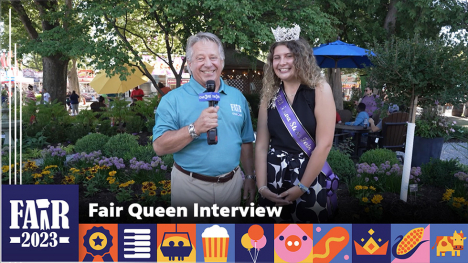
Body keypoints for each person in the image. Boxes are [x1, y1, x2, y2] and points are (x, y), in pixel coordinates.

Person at [152, 32, 256, 223]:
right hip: (190, 187)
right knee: (192, 248)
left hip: (232, 187)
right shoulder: (172, 100)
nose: (208, 64)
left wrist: (249, 176)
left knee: (226, 247)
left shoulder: (237, 97)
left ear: (222, 62)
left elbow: (246, 140)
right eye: (200, 58)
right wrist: (194, 129)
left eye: (213, 57)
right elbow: (159, 147)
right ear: (190, 64)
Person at [255, 25, 336, 223]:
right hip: (272, 177)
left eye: (289, 56)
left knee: (307, 245)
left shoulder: (319, 89)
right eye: (277, 57)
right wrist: (262, 187)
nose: (282, 62)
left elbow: (324, 144)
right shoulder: (269, 95)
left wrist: (301, 187)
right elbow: (261, 145)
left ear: (301, 57)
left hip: (309, 177)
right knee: (267, 242)